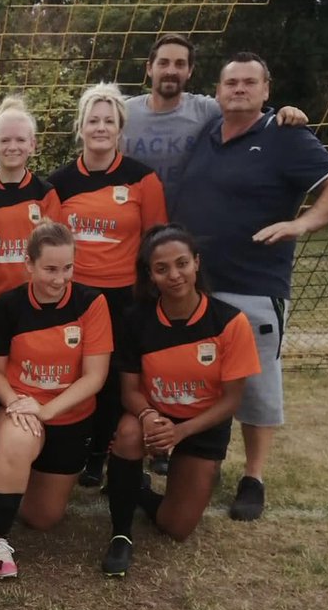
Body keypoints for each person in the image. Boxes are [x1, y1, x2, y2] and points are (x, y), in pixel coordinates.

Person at [170, 52, 328, 521]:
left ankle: (254, 477)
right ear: (219, 91)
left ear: (267, 91)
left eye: (250, 82)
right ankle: (190, 455)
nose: (239, 89)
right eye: (231, 83)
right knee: (194, 375)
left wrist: (303, 224)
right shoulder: (207, 133)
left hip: (253, 285)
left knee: (256, 384)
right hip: (196, 285)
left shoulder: (286, 136)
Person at [102, 224, 260, 577]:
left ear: (196, 263)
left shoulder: (230, 322)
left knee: (176, 527)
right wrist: (145, 416)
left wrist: (181, 432)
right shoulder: (135, 319)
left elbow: (232, 400)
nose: (174, 275)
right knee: (127, 435)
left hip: (199, 425)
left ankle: (137, 489)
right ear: (150, 275)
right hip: (153, 417)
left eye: (182, 263)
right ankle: (121, 534)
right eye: (162, 269)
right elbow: (129, 389)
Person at [49, 83, 167, 488]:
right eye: (93, 120)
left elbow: (156, 241)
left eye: (109, 121)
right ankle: (72, 447)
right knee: (75, 374)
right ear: (80, 127)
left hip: (124, 297)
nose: (101, 127)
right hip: (74, 294)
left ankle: (102, 452)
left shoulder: (143, 179)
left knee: (118, 379)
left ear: (120, 128)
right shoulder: (59, 183)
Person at [0, 220, 112, 579]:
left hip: (67, 417)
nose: (60, 278)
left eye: (67, 268)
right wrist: (16, 403)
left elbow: (95, 377)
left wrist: (46, 410)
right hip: (18, 410)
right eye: (50, 269)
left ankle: (13, 476)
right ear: (29, 265)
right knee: (20, 437)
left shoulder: (92, 303)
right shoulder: (9, 305)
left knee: (42, 518)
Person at [0, 95, 62, 488]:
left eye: (21, 140)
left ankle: (12, 448)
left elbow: (52, 252)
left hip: (27, 309)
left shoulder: (45, 193)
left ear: (33, 145)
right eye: (5, 140)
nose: (13, 146)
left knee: (13, 380)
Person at [123, 33, 308, 206]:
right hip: (134, 220)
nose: (171, 71)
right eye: (163, 63)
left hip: (188, 226)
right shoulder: (123, 113)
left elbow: (248, 112)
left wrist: (283, 112)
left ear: (190, 71)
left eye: (180, 64)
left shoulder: (207, 109)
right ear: (149, 68)